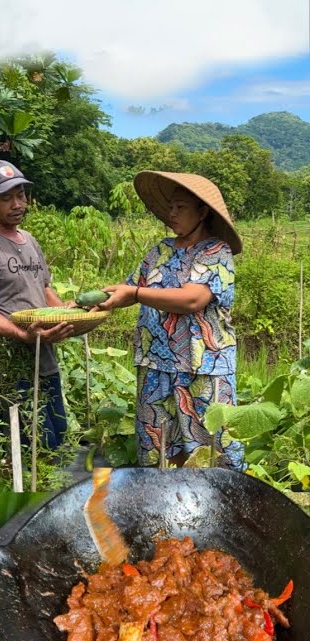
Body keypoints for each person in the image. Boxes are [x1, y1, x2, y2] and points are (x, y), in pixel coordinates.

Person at [93, 171, 244, 469]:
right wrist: (81, 306)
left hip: (204, 366)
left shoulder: (216, 252)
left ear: (202, 212)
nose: (172, 214)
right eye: (171, 207)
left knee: (210, 445)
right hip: (156, 366)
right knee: (159, 444)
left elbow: (192, 299)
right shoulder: (160, 250)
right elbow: (126, 288)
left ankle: (219, 506)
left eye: (181, 207)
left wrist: (135, 293)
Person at [0, 160, 73, 450]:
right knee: (21, 447)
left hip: (43, 360)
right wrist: (22, 335)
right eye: (6, 198)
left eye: (20, 195)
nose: (17, 204)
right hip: (6, 368)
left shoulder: (29, 239)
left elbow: (43, 289)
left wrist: (70, 314)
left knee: (55, 437)